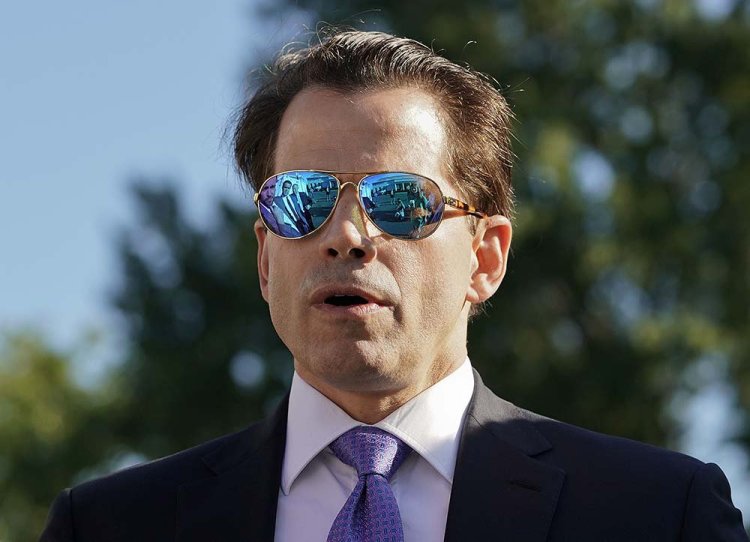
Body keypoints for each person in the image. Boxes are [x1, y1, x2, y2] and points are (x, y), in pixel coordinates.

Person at [40, 30, 747, 542]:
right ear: (264, 257)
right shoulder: (108, 526)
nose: (346, 234)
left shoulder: (657, 513)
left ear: (485, 257)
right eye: (303, 199)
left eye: (400, 201)